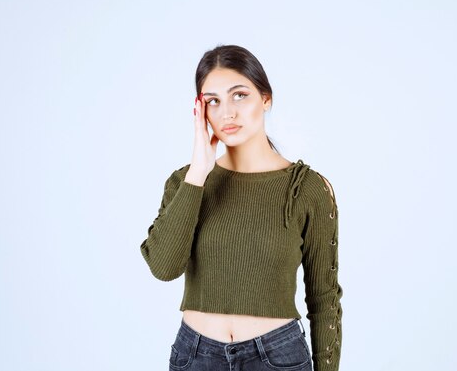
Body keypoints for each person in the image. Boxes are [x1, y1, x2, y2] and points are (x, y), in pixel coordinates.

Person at [140, 44, 343, 371]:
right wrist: (198, 173)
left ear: (266, 99)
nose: (227, 114)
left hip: (277, 357)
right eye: (213, 102)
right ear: (199, 111)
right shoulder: (186, 183)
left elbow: (324, 300)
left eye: (239, 95)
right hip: (195, 357)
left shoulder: (307, 189)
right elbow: (164, 268)